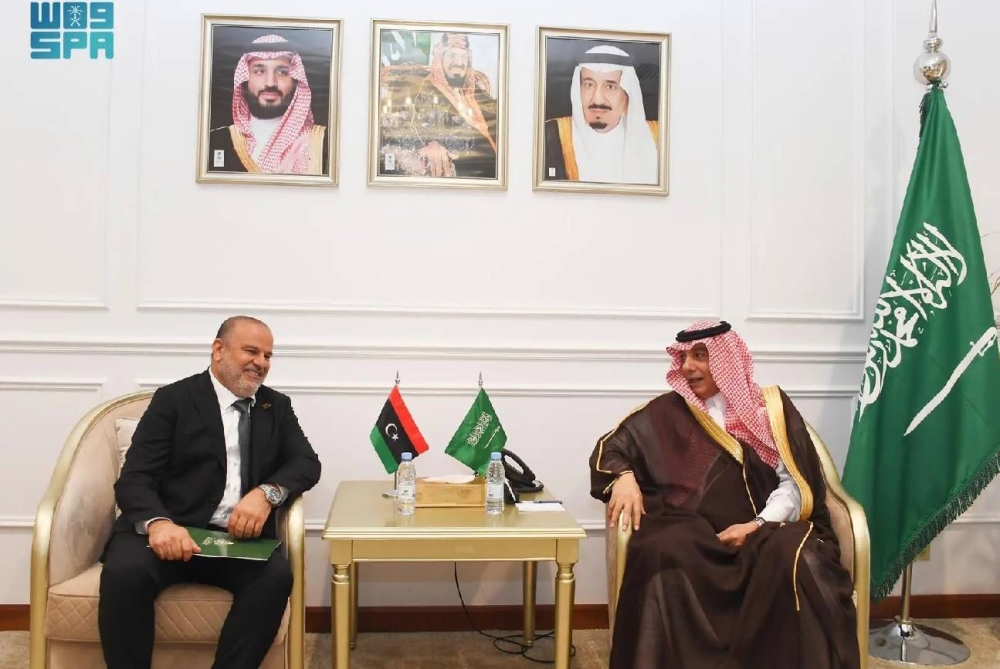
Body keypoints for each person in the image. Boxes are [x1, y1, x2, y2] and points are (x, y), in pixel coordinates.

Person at [589, 320, 859, 669]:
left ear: (727, 359)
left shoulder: (770, 410)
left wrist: (756, 525)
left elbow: (794, 483)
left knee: (800, 557)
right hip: (697, 535)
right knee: (660, 550)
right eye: (684, 357)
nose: (688, 367)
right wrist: (624, 476)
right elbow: (612, 447)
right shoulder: (666, 412)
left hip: (764, 533)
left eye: (700, 356)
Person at [99, 316, 322, 669]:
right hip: (168, 531)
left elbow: (307, 463)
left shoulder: (275, 407)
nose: (261, 362)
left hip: (233, 539)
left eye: (267, 355)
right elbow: (135, 477)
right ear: (219, 350)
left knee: (275, 576)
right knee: (125, 574)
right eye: (251, 351)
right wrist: (158, 523)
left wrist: (266, 493)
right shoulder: (173, 399)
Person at [378, 32, 498, 179]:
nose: (459, 63)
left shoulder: (474, 90)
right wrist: (430, 146)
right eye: (451, 56)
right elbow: (397, 132)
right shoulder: (425, 91)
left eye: (463, 57)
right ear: (440, 58)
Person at [209, 34, 328, 175]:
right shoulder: (215, 140)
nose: (270, 83)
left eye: (282, 72)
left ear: (295, 80)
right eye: (259, 71)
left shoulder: (324, 142)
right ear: (245, 79)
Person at [544, 44, 658, 184]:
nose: (597, 99)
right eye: (589, 85)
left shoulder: (658, 137)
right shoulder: (550, 136)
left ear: (627, 95)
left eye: (610, 87)